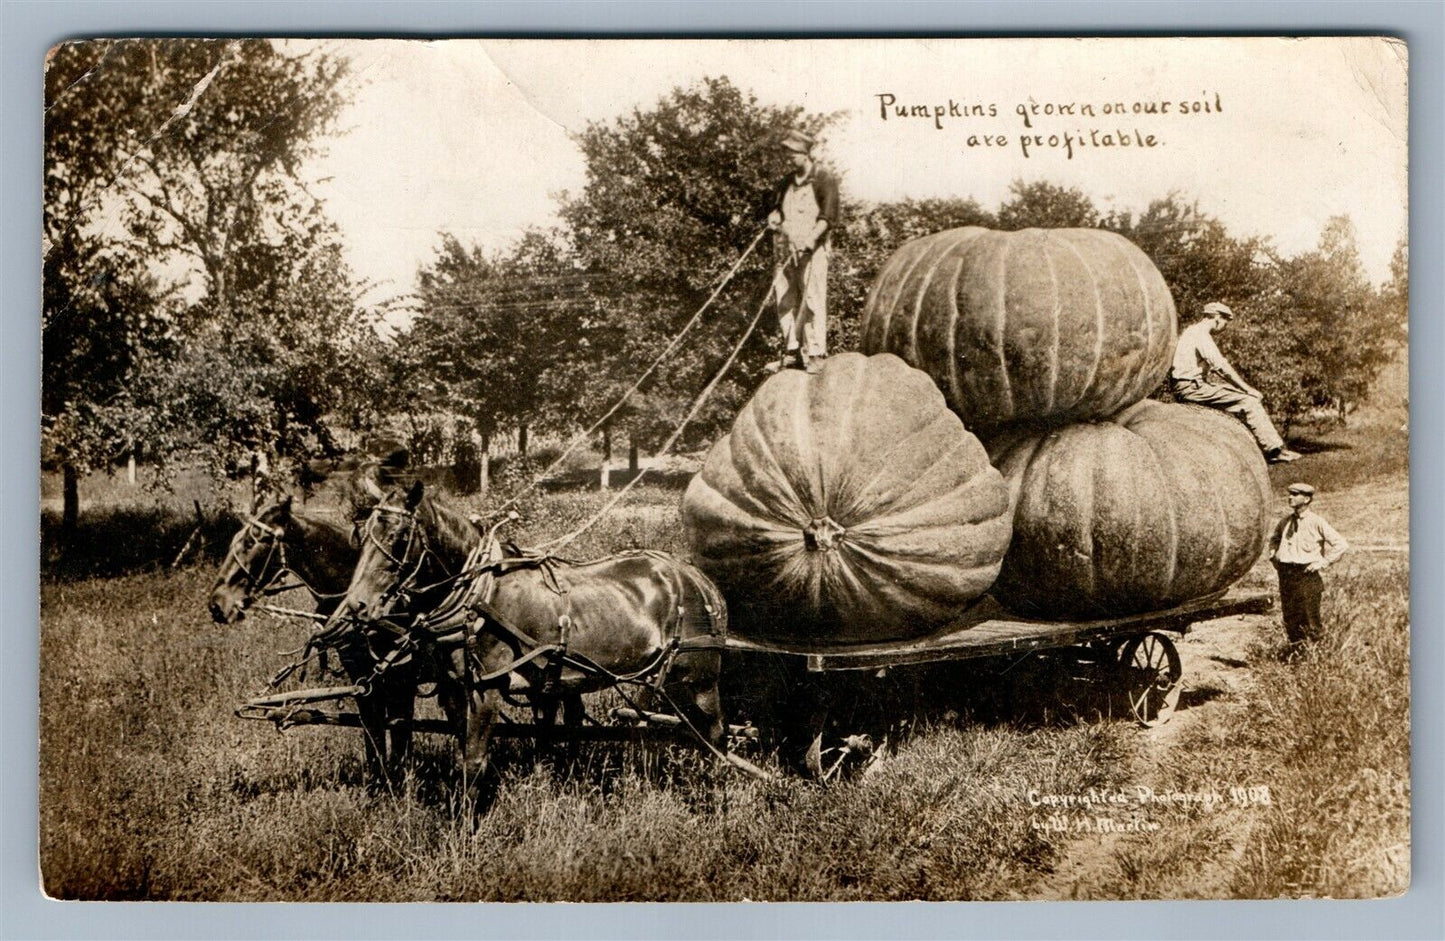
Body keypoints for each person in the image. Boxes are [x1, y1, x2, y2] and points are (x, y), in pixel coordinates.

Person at [1170, 302, 1301, 463]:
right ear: (1217, 318)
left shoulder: (1190, 331)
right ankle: (1273, 450)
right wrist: (1247, 389)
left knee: (1230, 394)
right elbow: (1221, 367)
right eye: (1226, 322)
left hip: (1186, 386)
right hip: (1192, 388)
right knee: (1249, 401)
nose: (1225, 327)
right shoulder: (1201, 335)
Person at [765, 129, 839, 374]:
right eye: (787, 154)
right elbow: (776, 210)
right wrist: (774, 217)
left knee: (812, 300)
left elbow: (827, 218)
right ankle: (792, 352)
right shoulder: (786, 182)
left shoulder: (823, 179)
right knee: (785, 299)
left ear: (805, 154)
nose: (789, 159)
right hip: (786, 250)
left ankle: (816, 353)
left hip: (812, 250)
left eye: (793, 154)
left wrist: (810, 240)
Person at [1269, 482, 1349, 656]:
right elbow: (1274, 539)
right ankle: (1295, 656)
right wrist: (1274, 556)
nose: (1290, 497)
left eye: (1295, 494)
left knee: (1310, 619)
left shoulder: (1316, 522)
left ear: (1306, 499)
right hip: (1286, 574)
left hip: (1306, 575)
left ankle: (1315, 658)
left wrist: (1323, 562)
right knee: (1290, 618)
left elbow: (1341, 545)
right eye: (1290, 493)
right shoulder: (1285, 521)